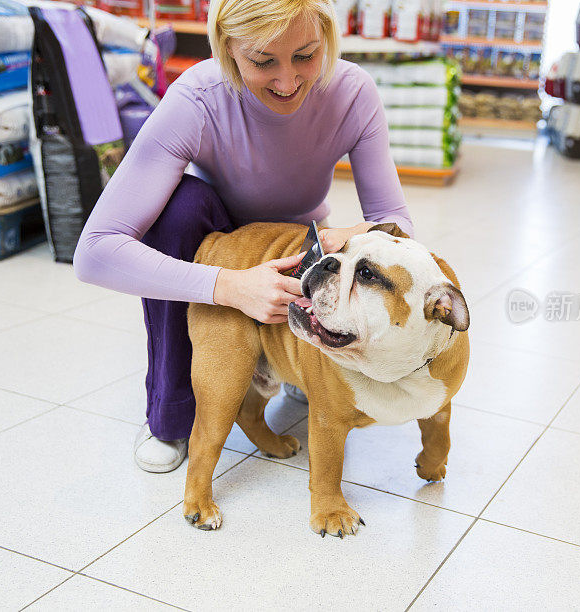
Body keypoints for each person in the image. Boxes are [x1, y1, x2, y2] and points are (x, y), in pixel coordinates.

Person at [73, 0, 414, 473]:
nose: (288, 81)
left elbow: (396, 221)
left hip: (298, 249)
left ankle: (294, 360)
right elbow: (94, 252)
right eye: (262, 60)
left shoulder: (350, 92)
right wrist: (228, 286)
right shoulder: (198, 98)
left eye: (306, 55)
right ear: (227, 48)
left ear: (328, 38)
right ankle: (172, 414)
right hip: (217, 244)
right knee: (177, 209)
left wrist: (351, 235)